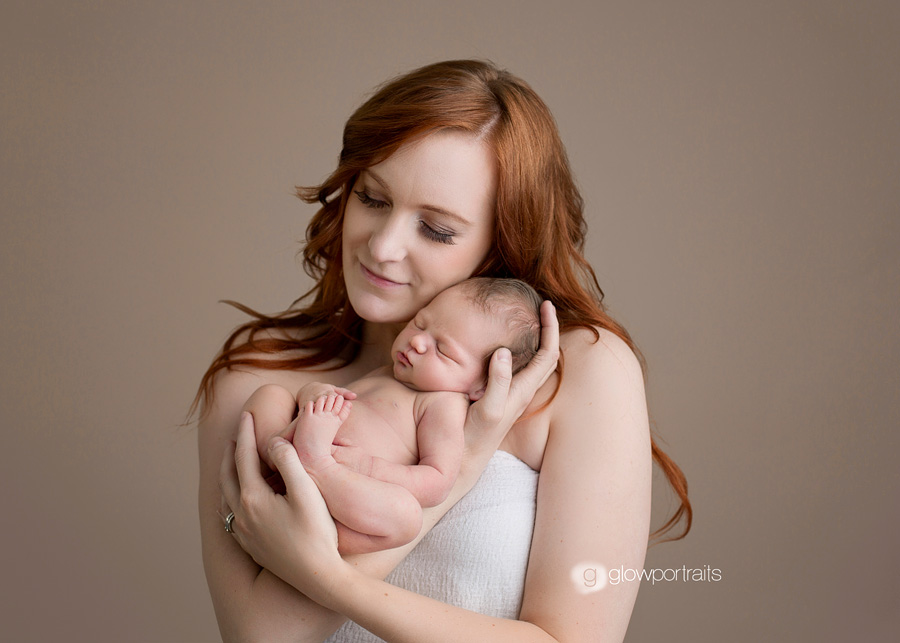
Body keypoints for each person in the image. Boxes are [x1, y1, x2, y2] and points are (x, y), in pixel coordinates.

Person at [194, 59, 691, 642]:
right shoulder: (256, 383)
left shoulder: (582, 374)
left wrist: (330, 577)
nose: (382, 247)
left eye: (436, 230)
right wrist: (467, 457)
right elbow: (264, 640)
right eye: (374, 198)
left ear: (502, 240)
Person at [245, 278, 541, 554]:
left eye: (442, 350)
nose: (418, 342)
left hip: (341, 487)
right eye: (419, 323)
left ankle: (315, 478)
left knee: (406, 518)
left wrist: (365, 466)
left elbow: (436, 481)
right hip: (304, 445)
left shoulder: (443, 404)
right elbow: (339, 399)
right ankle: (277, 451)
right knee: (271, 394)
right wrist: (315, 393)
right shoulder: (390, 372)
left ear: (482, 385)